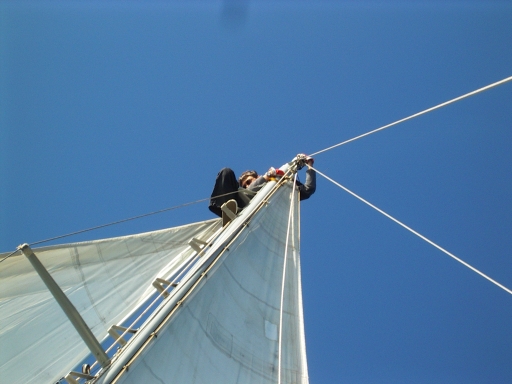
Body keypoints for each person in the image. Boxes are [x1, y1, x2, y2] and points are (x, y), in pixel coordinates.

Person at [208, 154, 316, 217]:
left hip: (266, 211)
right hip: (240, 204)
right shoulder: (243, 191)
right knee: (226, 172)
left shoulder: (276, 183)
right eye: (245, 185)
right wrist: (266, 177)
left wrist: (309, 165)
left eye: (249, 181)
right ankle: (222, 208)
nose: (247, 185)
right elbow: (247, 190)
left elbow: (307, 190)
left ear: (257, 177)